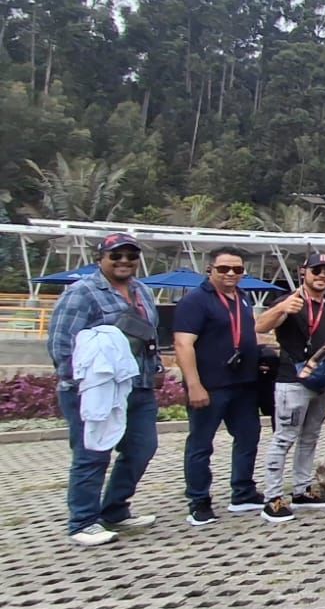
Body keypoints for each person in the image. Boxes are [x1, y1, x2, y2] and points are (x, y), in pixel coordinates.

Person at [48, 234, 162, 545]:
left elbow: (148, 338)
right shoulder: (82, 293)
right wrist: (80, 384)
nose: (124, 261)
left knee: (142, 447)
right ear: (101, 258)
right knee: (92, 453)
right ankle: (83, 521)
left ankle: (115, 509)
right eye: (116, 256)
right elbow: (61, 344)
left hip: (138, 386)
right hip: (94, 389)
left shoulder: (143, 292)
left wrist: (157, 371)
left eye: (130, 255)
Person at [254, 253, 325, 522]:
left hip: (323, 380)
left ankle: (302, 489)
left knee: (311, 436)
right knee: (284, 437)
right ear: (304, 272)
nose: (322, 275)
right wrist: (281, 308)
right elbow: (260, 326)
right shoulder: (290, 302)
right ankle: (273, 497)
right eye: (316, 270)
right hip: (292, 379)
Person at [174, 246, 264, 526]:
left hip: (244, 383)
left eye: (237, 269)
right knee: (201, 444)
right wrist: (194, 384)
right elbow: (182, 343)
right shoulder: (196, 301)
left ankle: (243, 491)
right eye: (223, 268)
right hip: (210, 385)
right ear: (209, 269)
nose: (230, 274)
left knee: (249, 437)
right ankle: (199, 501)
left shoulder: (242, 298)